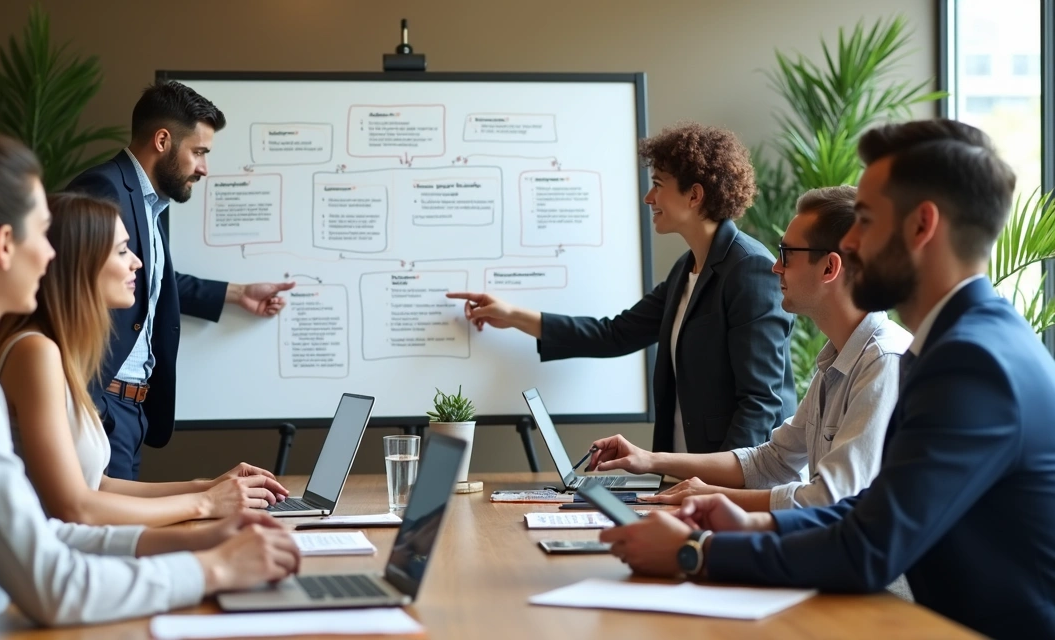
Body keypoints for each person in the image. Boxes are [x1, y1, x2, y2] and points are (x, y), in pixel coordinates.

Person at [0, 103, 300, 640]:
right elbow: (52, 582)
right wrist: (214, 569)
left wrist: (199, 540)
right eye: (44, 232)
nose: (55, 253)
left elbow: (44, 536)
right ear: (4, 246)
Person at [597, 119, 1055, 639]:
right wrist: (753, 523)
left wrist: (695, 551)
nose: (852, 243)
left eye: (865, 218)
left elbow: (869, 548)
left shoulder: (973, 361)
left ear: (921, 226)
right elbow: (875, 506)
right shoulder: (959, 342)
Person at [448, 122, 795, 453]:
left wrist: (719, 489)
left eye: (658, 184)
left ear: (694, 196)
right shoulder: (685, 270)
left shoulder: (749, 270)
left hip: (727, 491)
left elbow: (760, 403)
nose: (648, 197)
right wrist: (511, 315)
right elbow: (613, 334)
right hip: (687, 480)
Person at [587, 186, 911, 511]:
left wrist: (712, 497)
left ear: (829, 268)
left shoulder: (883, 362)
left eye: (787, 254)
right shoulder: (837, 360)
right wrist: (648, 460)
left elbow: (830, 498)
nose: (776, 267)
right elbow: (770, 460)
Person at [0, 193, 289, 527]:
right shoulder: (35, 353)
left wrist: (210, 487)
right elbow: (75, 508)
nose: (137, 262)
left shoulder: (61, 355)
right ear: (80, 263)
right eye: (122, 251)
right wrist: (204, 503)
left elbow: (98, 486)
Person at [67, 80, 295, 479]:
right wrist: (95, 405)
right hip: (104, 406)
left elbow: (151, 280)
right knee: (110, 533)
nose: (204, 167)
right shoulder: (104, 190)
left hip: (132, 411)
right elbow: (69, 295)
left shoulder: (149, 203)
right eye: (199, 152)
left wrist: (237, 294)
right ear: (162, 140)